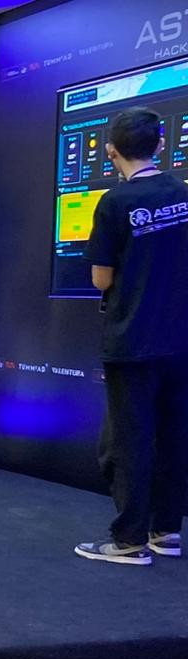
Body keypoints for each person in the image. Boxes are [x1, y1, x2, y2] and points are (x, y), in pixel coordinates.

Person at [75, 106, 188, 565]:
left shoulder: (114, 202)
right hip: (180, 339)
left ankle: (129, 541)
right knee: (174, 434)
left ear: (111, 151)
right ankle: (167, 531)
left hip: (132, 338)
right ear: (160, 145)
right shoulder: (183, 192)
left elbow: (101, 278)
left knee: (129, 440)